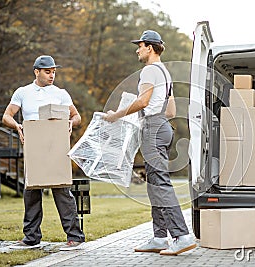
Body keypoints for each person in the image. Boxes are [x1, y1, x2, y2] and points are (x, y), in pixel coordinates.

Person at [103, 30, 196, 256]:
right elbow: (171, 110)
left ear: (150, 47)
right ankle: (159, 237)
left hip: (153, 129)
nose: (137, 49)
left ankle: (181, 236)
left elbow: (143, 101)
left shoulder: (149, 71)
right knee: (154, 183)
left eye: (140, 45)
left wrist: (117, 115)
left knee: (160, 184)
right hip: (162, 127)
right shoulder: (165, 73)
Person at [2, 55, 85, 250]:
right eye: (47, 71)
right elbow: (7, 116)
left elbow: (77, 116)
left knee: (63, 191)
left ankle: (75, 236)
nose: (52, 75)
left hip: (56, 149)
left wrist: (71, 124)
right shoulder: (23, 92)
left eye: (54, 71)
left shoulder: (61, 93)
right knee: (31, 192)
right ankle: (31, 237)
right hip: (34, 149)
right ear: (36, 72)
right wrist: (18, 126)